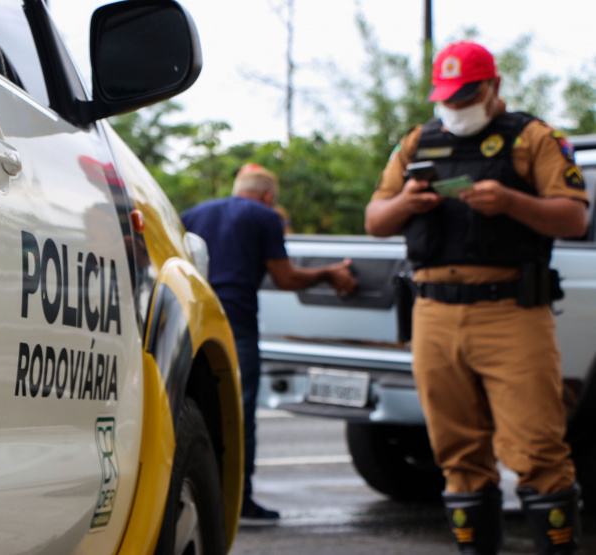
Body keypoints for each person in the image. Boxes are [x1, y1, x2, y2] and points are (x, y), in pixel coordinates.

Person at [365, 41, 589, 554]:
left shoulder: (534, 138)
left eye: (466, 96)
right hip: (434, 313)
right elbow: (375, 220)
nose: (455, 107)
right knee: (457, 454)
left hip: (510, 311)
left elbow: (574, 217)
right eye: (447, 97)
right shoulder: (418, 140)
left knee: (537, 448)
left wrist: (509, 201)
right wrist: (407, 201)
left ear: (494, 87)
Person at [181, 163, 357, 525]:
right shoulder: (265, 216)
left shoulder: (192, 214)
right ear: (268, 196)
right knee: (238, 413)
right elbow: (286, 277)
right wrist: (328, 273)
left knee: (192, 410)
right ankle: (240, 501)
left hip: (193, 319)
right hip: (237, 323)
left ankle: (193, 496)